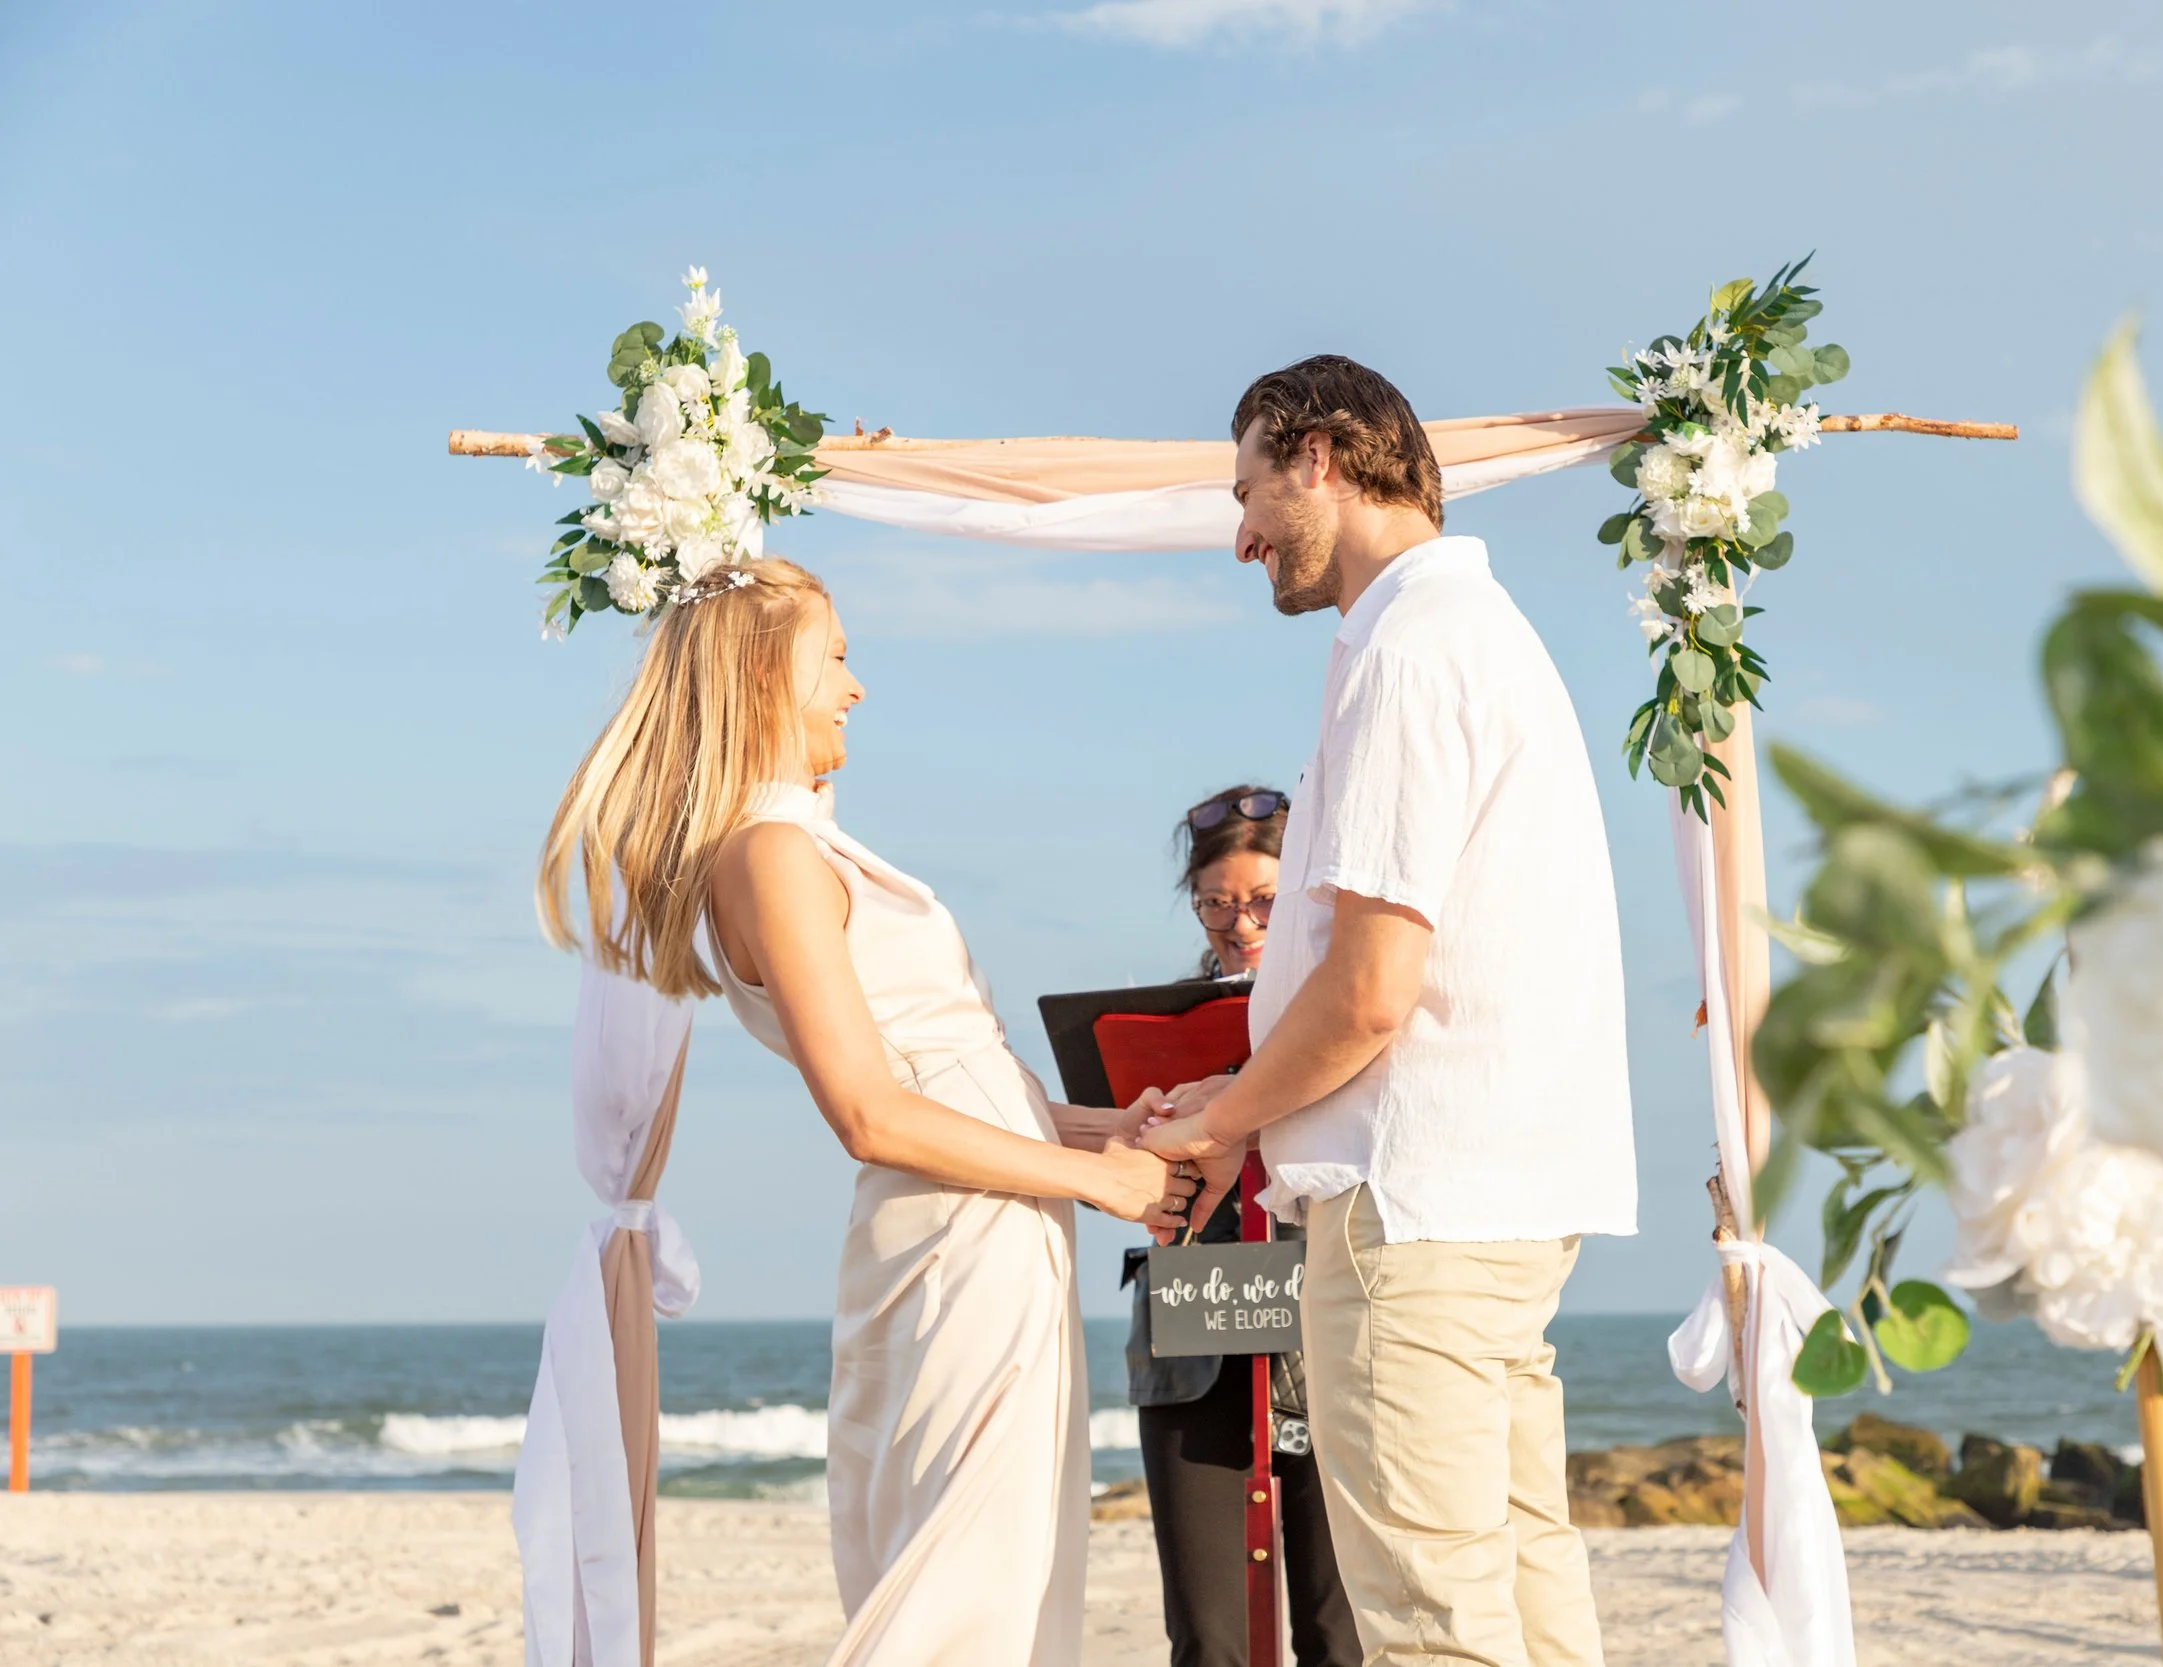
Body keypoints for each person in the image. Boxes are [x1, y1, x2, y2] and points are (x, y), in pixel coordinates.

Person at [539, 558, 1192, 1666]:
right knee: (962, 1593)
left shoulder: (793, 844)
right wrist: (1100, 1179)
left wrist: (1102, 1131)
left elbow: (955, 1073)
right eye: (833, 656)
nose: (855, 686)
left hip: (988, 1217)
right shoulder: (770, 853)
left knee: (1005, 1575)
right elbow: (868, 1109)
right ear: (760, 676)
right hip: (958, 1236)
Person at [1143, 358, 1637, 1667]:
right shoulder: (1477, 635)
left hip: (1412, 1209)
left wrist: (1224, 1123)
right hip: (1496, 1201)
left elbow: (1370, 987)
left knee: (1433, 1627)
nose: (1241, 531)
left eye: (1245, 488)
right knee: (1526, 1591)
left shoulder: (1408, 653)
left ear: (1316, 458)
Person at [1122, 787, 1361, 1667]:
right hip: (1195, 1332)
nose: (1240, 921)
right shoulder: (1161, 1023)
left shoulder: (1351, 1018)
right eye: (1217, 901)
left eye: (1262, 899)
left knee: (1343, 1633)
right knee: (1211, 1637)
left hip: (1330, 1325)